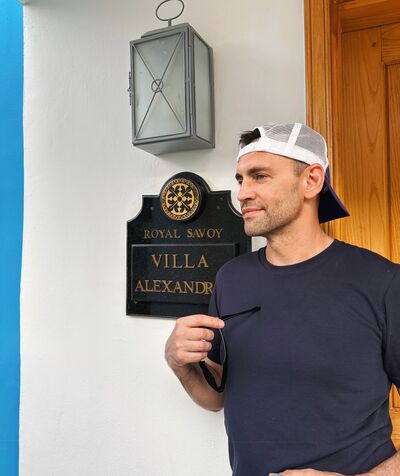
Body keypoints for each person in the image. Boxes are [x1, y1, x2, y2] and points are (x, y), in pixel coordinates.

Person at [164, 123, 400, 476]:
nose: (242, 193)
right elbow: (216, 398)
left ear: (312, 181)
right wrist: (179, 363)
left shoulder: (383, 282)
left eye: (259, 176)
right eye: (240, 179)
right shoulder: (231, 278)